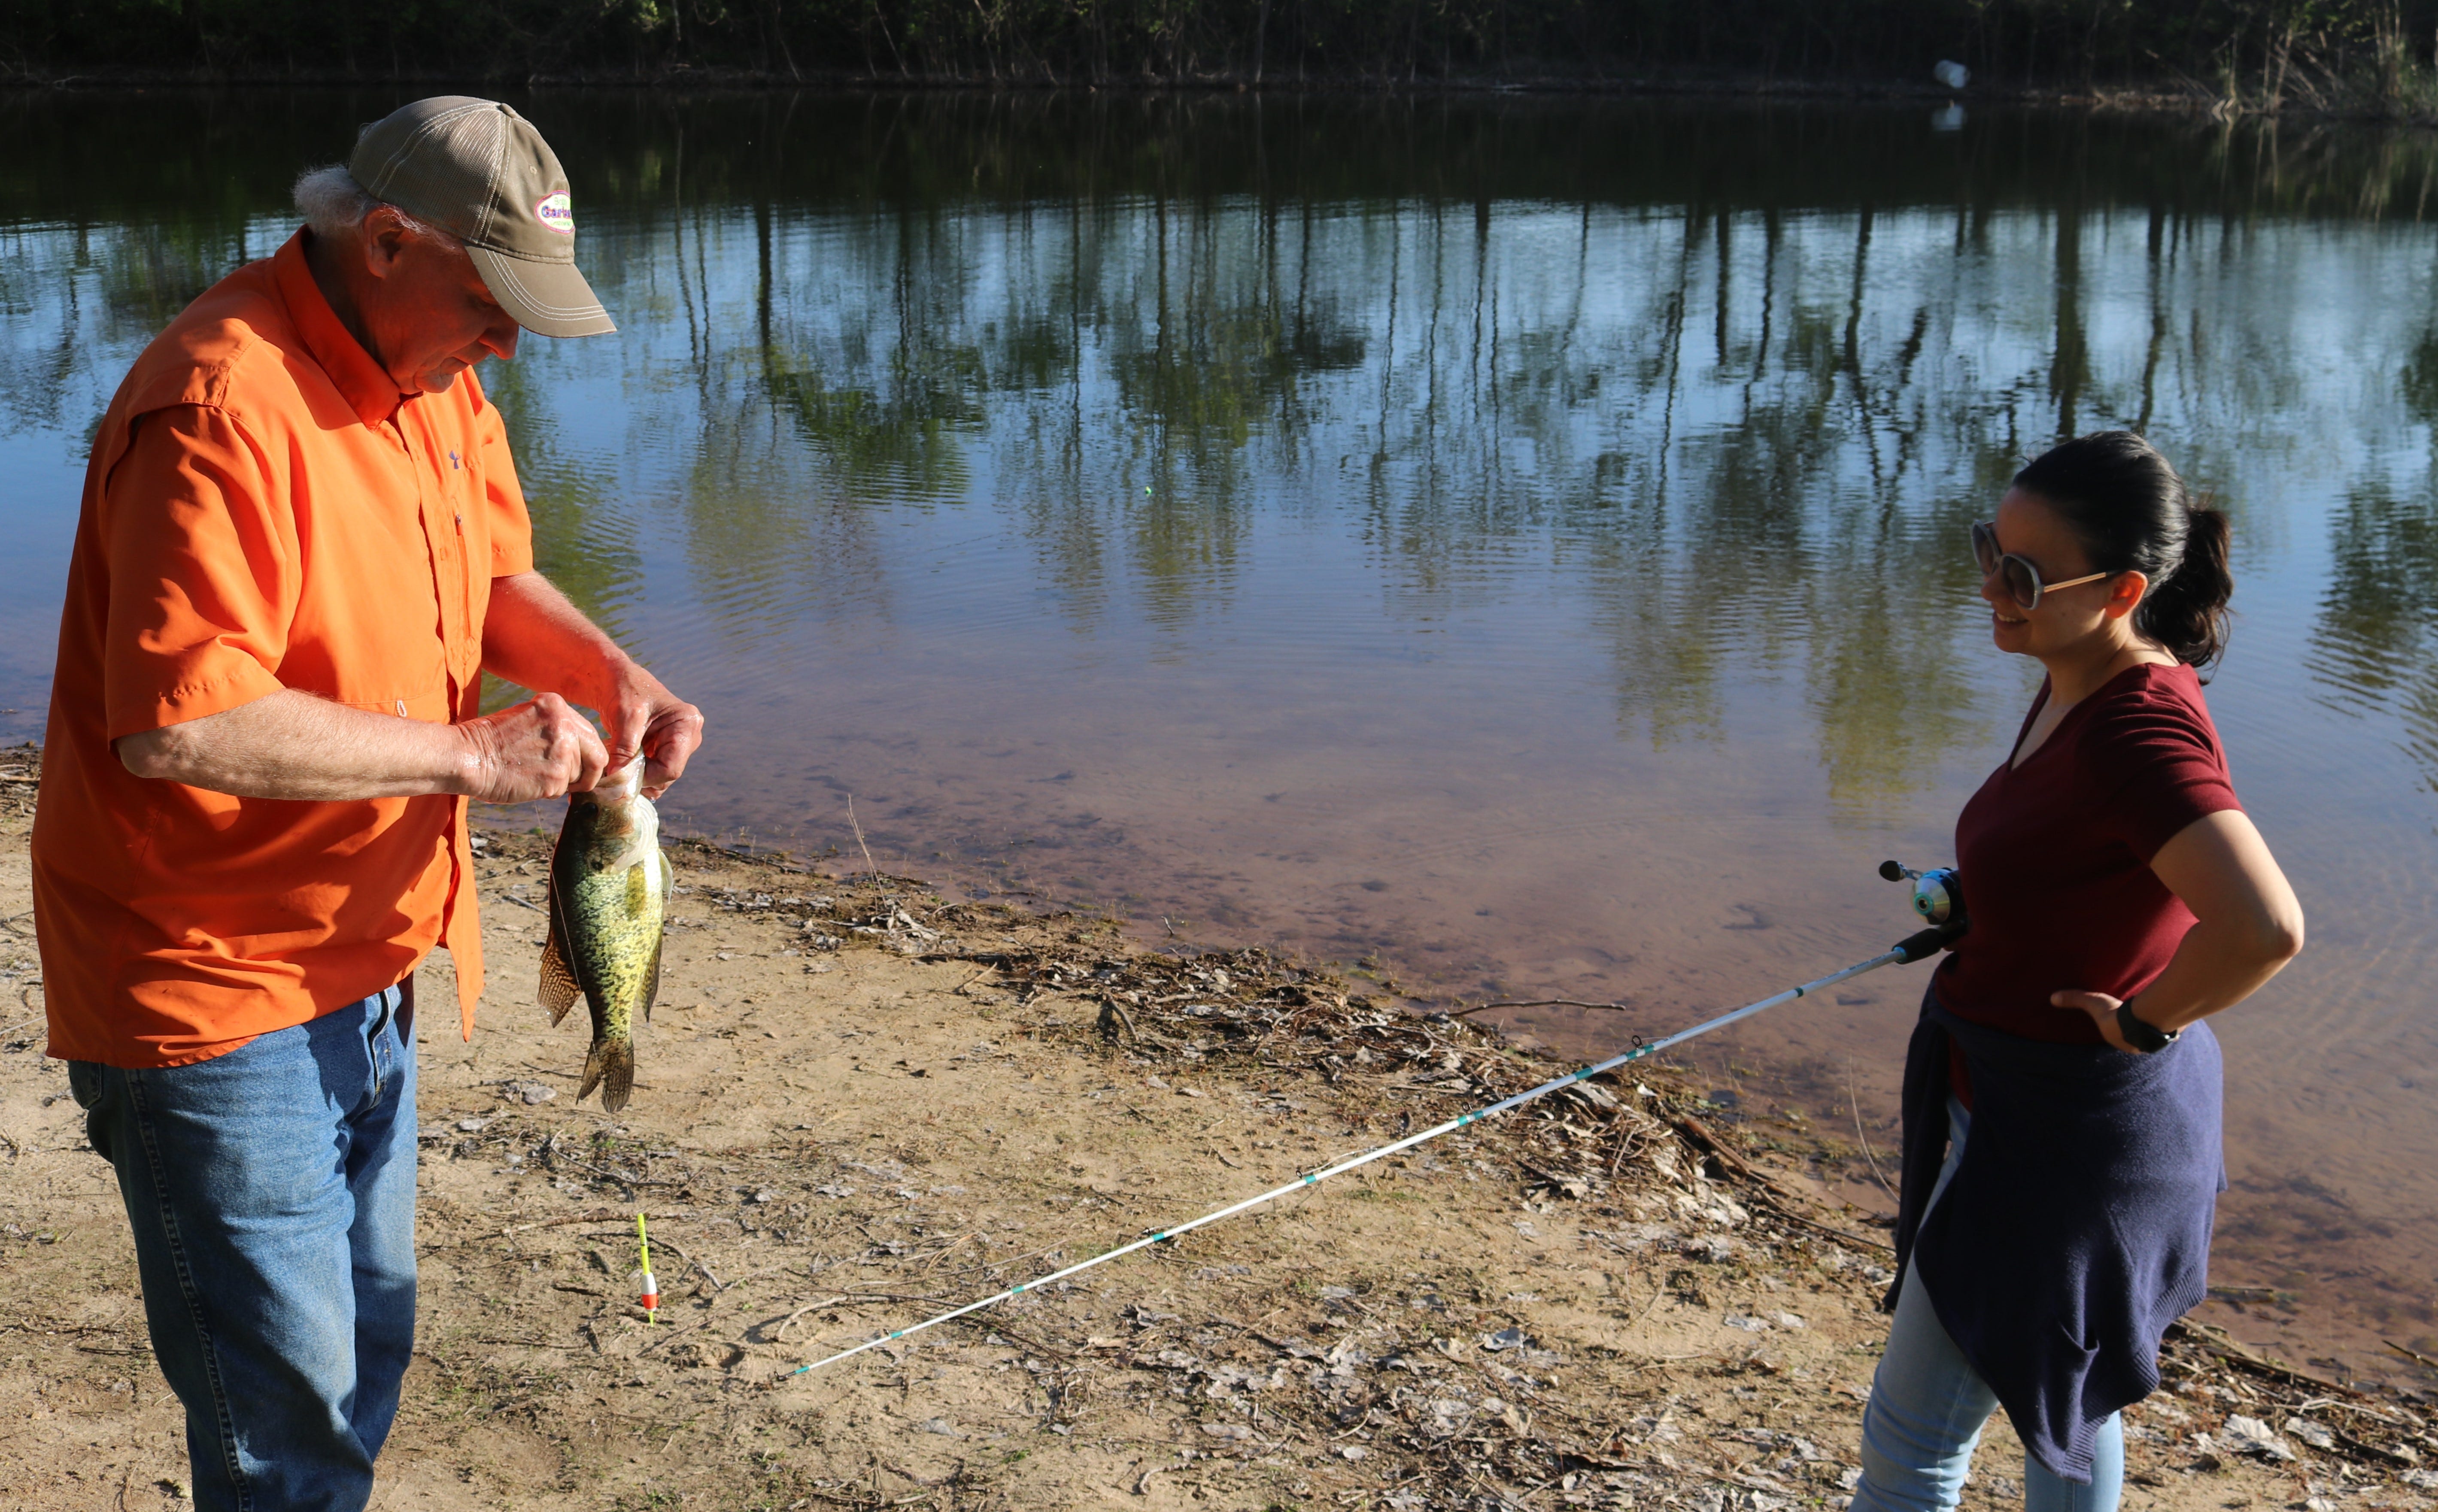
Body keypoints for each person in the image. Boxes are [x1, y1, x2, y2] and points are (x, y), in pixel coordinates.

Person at [30, 97, 703, 1512]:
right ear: (386, 240)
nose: (510, 341)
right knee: (291, 1438)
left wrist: (610, 673)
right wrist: (474, 758)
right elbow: (179, 721)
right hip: (215, 997)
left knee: (363, 1365)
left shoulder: (434, 370)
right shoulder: (222, 399)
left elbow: (492, 579)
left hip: (376, 966)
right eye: (492, 301)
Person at [1852, 431, 2304, 1512]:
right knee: (2065, 1407)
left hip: (2054, 1136)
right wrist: (1988, 899)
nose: (1987, 588)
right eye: (1985, 551)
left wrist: (2146, 1019)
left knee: (1911, 1443)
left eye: (2019, 574)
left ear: (2124, 591)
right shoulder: (2079, 675)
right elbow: (2092, 862)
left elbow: (2264, 927)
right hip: (2027, 1107)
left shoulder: (2133, 731)